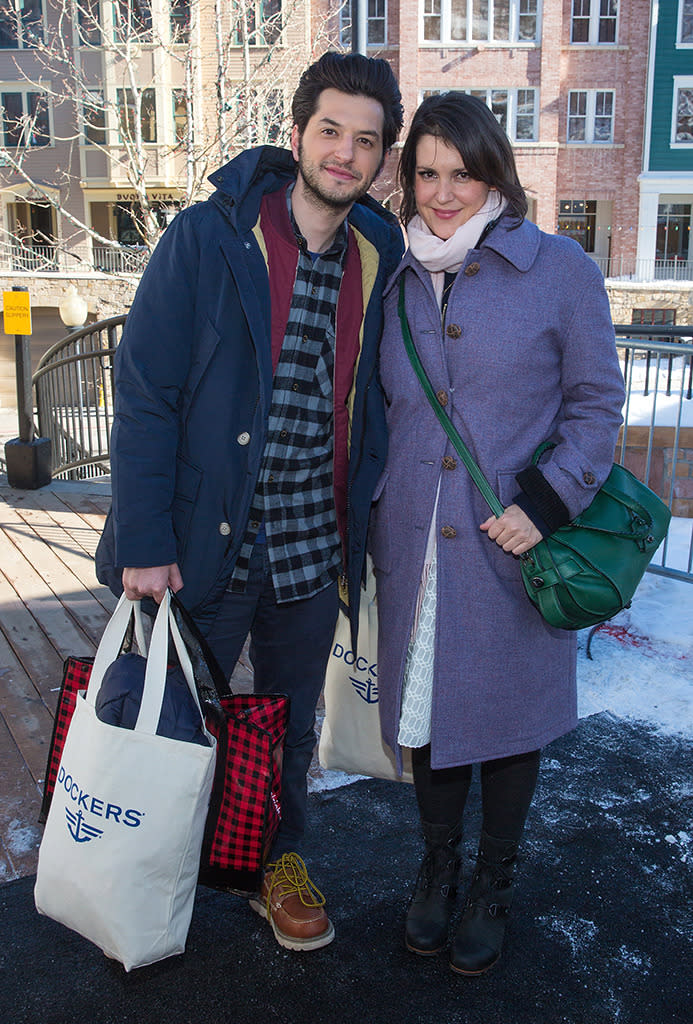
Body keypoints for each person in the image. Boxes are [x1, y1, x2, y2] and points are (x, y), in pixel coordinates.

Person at [95, 52, 404, 952]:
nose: (345, 153)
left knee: (286, 726)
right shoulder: (210, 235)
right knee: (159, 721)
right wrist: (145, 541)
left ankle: (275, 859)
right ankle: (140, 872)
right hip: (199, 541)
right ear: (298, 132)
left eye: (366, 140)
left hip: (311, 547)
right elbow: (145, 391)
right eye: (331, 131)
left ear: (379, 157)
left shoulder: (376, 260)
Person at [369, 92, 625, 975]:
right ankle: (436, 869)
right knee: (427, 715)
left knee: (509, 724)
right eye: (426, 174)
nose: (443, 193)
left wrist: (548, 503)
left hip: (508, 541)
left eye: (462, 173)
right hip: (410, 537)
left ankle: (492, 883)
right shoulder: (391, 270)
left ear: (495, 174)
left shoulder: (558, 269)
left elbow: (596, 405)